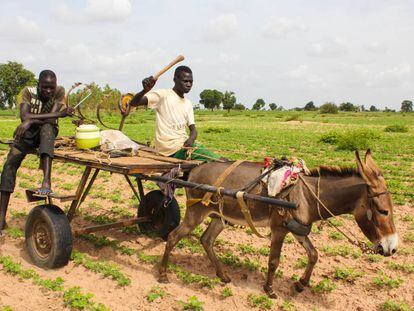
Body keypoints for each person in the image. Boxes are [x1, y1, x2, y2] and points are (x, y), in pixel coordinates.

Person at [0, 70, 74, 233]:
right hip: (27, 133)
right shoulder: (28, 92)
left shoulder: (59, 91)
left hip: (46, 131)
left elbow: (51, 120)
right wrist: (59, 114)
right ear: (38, 85)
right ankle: (1, 218)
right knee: (9, 166)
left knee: (48, 128)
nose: (48, 91)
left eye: (51, 88)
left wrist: (31, 119)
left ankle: (46, 181)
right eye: (44, 87)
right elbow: (24, 115)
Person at [128, 65, 223, 162]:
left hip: (184, 145)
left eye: (191, 82)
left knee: (208, 158)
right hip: (169, 150)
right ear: (175, 80)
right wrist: (145, 90)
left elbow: (193, 130)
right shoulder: (163, 95)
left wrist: (191, 139)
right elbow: (134, 103)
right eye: (185, 81)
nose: (189, 84)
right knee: (218, 160)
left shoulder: (188, 103)